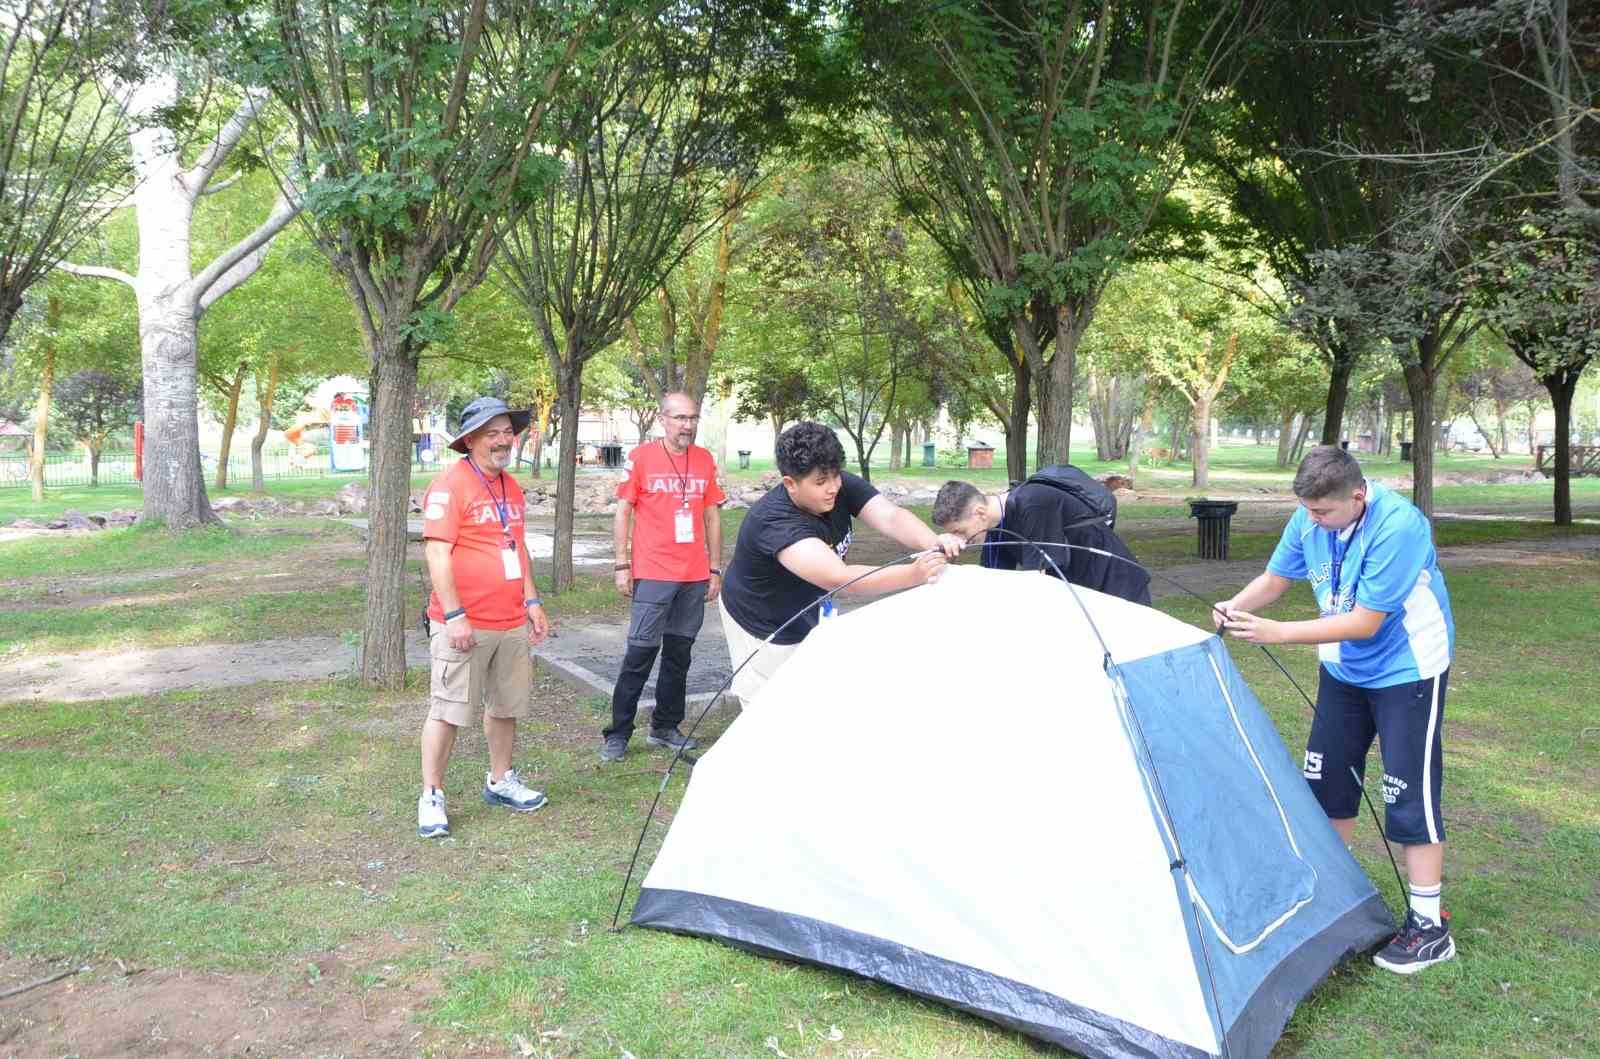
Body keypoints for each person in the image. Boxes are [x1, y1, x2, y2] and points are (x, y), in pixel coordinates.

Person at [1215, 445, 1456, 974]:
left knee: (1408, 793)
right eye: (1307, 510)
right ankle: (1333, 901)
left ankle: (1428, 926)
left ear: (1357, 495)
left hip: (1407, 668)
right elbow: (1277, 580)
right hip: (1342, 669)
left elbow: (1367, 622)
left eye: (1323, 512)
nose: (1314, 521)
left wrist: (1279, 635)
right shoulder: (1309, 517)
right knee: (1328, 786)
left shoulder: (1400, 527)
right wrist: (1235, 606)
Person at [718, 421, 962, 702]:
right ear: (790, 484)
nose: (833, 487)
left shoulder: (836, 484)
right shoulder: (775, 522)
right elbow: (840, 578)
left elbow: (890, 516)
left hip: (806, 608)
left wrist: (934, 542)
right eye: (821, 482)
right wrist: (914, 574)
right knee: (772, 707)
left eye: (835, 476)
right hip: (761, 624)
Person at [416, 397, 552, 839]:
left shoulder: (511, 487)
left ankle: (500, 780)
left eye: (507, 431)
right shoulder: (448, 486)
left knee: (507, 706)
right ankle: (432, 795)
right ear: (470, 440)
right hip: (465, 623)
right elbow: (437, 552)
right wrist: (454, 614)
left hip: (510, 619)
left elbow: (518, 548)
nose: (502, 440)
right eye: (491, 433)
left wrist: (532, 601)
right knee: (449, 710)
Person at [600, 392, 727, 762]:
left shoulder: (704, 460)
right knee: (640, 652)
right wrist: (621, 564)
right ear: (663, 419)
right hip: (653, 572)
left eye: (692, 418)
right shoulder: (641, 458)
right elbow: (623, 511)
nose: (687, 425)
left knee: (679, 653)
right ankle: (619, 732)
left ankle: (665, 726)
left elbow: (713, 516)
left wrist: (715, 568)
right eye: (680, 418)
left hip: (693, 574)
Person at [930, 466, 1152, 604]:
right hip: (1087, 596)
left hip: (1117, 589)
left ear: (979, 512)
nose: (961, 539)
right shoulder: (995, 530)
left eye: (959, 531)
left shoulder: (1033, 503)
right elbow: (993, 583)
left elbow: (1038, 584)